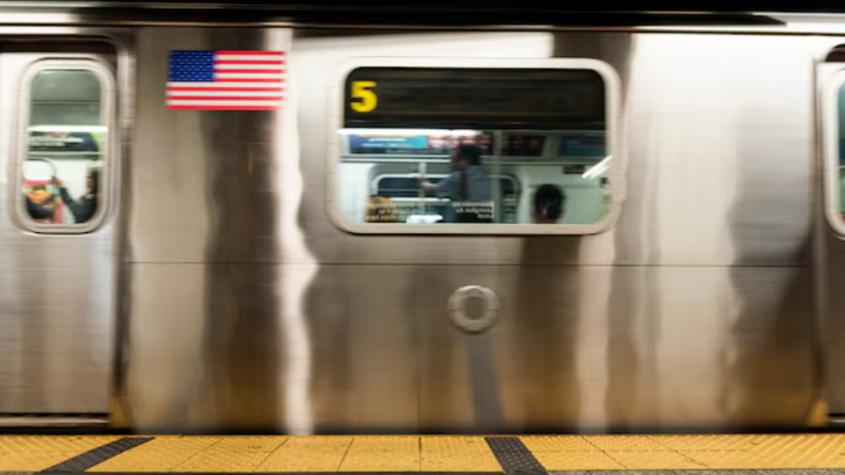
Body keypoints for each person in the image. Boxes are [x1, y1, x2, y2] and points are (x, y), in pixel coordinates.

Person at [417, 144, 492, 222]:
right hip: (484, 224)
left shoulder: (460, 177)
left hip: (460, 225)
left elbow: (433, 190)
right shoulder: (485, 176)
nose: (453, 164)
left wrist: (422, 182)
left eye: (455, 160)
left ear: (465, 161)